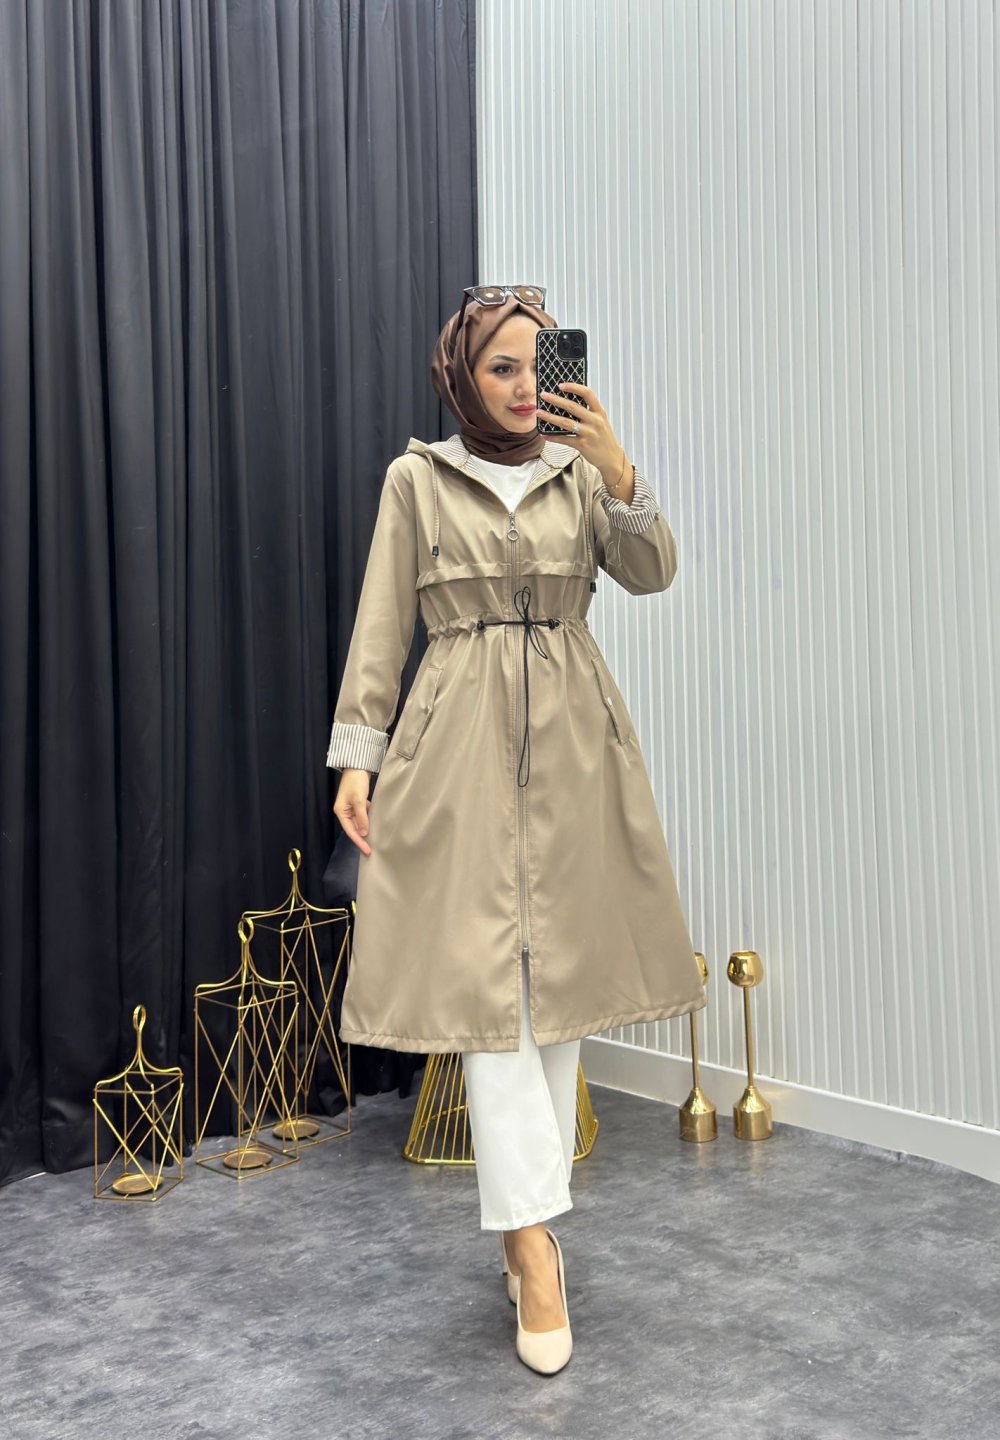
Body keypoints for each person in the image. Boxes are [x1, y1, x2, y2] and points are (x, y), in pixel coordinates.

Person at [327, 284, 707, 1375]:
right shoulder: (416, 479)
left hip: (577, 746)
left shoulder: (581, 473)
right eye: (503, 367)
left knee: (559, 997)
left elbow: (652, 571)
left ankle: (520, 1228)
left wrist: (619, 468)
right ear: (462, 375)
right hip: (453, 745)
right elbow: (382, 623)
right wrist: (357, 755)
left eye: (540, 365)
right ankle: (536, 1252)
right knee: (489, 999)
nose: (526, 387)